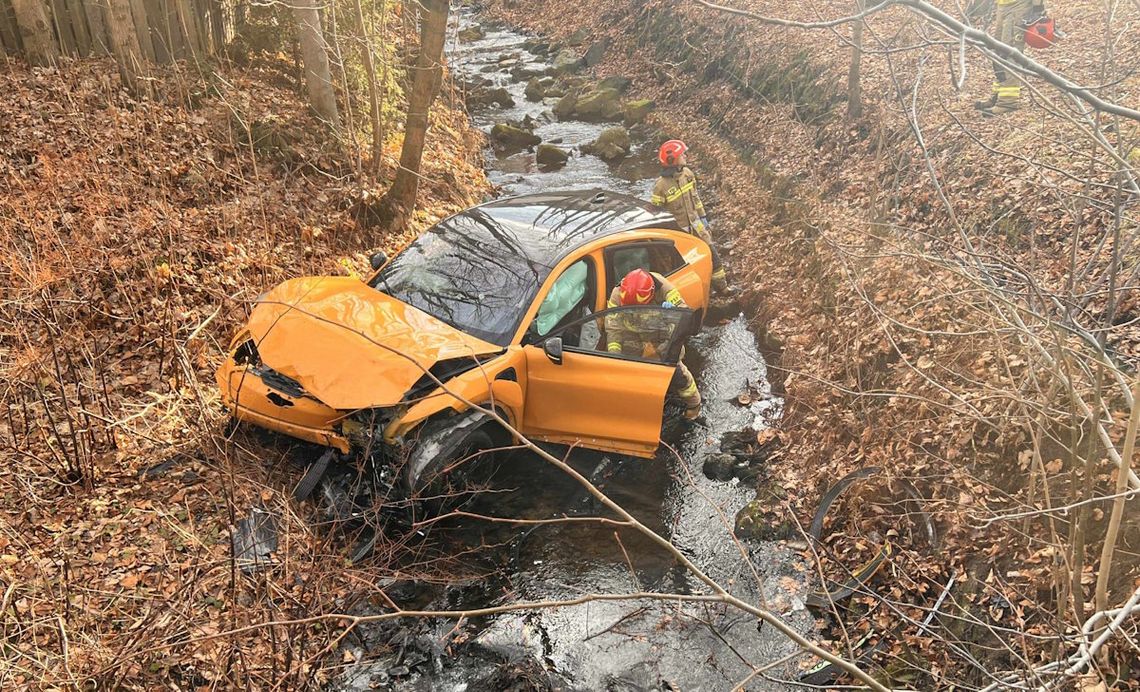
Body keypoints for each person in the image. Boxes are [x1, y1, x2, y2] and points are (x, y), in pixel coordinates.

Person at [605, 269, 702, 420]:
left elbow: (684, 315)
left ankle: (694, 405)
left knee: (674, 370)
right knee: (631, 368)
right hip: (632, 332)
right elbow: (613, 327)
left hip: (658, 329)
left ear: (651, 294)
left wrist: (671, 314)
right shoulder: (617, 294)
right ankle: (641, 399)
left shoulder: (664, 288)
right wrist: (614, 355)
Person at [650, 140, 729, 294]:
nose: (685, 156)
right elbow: (656, 213)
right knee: (686, 264)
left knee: (711, 252)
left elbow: (696, 198)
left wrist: (703, 216)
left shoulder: (688, 174)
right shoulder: (660, 186)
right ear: (672, 160)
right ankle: (699, 291)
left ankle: (722, 288)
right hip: (678, 232)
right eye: (682, 154)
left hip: (696, 224)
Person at [974, 0, 1047, 117]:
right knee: (998, 52)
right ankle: (998, 95)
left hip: (1018, 7)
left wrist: (1038, 8)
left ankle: (1008, 102)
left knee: (1010, 54)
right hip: (1003, 6)